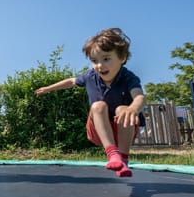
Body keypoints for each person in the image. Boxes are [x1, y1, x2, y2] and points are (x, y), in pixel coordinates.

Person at [35, 28, 146, 177]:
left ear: (122, 58)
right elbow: (71, 81)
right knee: (98, 106)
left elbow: (139, 97)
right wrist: (49, 88)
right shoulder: (90, 76)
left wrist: (133, 108)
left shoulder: (129, 78)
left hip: (124, 130)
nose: (99, 65)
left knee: (122, 109)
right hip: (98, 131)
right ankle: (113, 154)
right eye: (94, 61)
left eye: (106, 59)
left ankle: (123, 161)